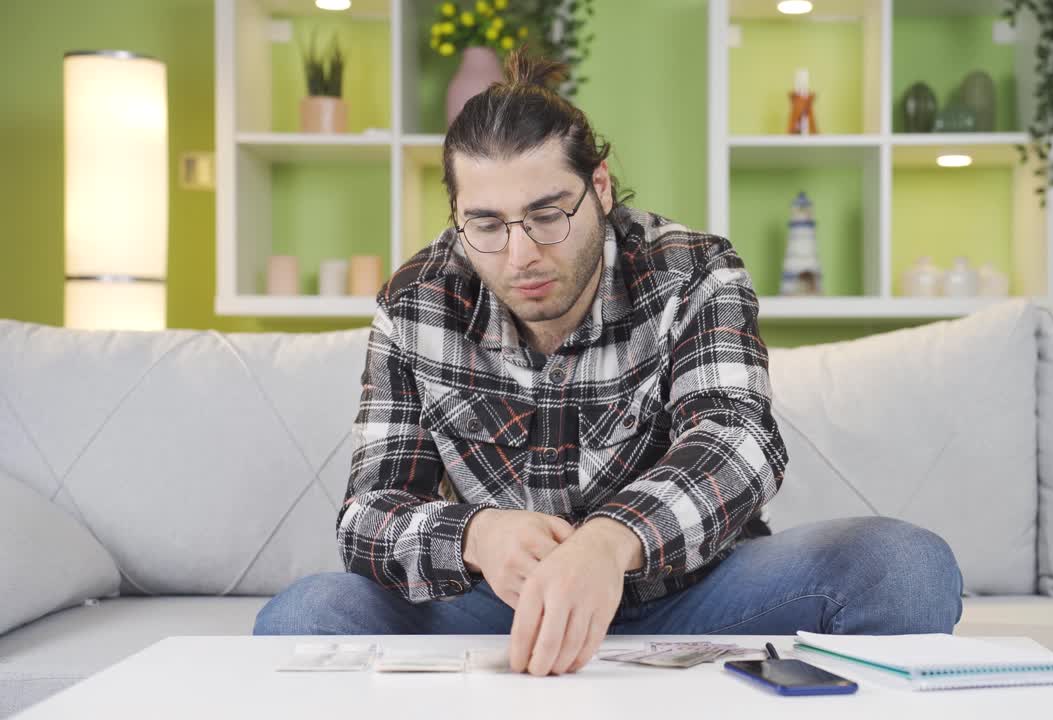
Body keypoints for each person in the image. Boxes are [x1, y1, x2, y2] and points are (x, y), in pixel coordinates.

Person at [254, 49, 963, 677]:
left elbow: (738, 443)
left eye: (547, 213)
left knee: (904, 568)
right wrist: (475, 534)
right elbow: (368, 513)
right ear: (458, 215)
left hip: (695, 598)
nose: (521, 253)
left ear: (598, 187)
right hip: (501, 609)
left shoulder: (694, 271)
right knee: (302, 616)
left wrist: (610, 542)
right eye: (487, 224)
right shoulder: (415, 302)